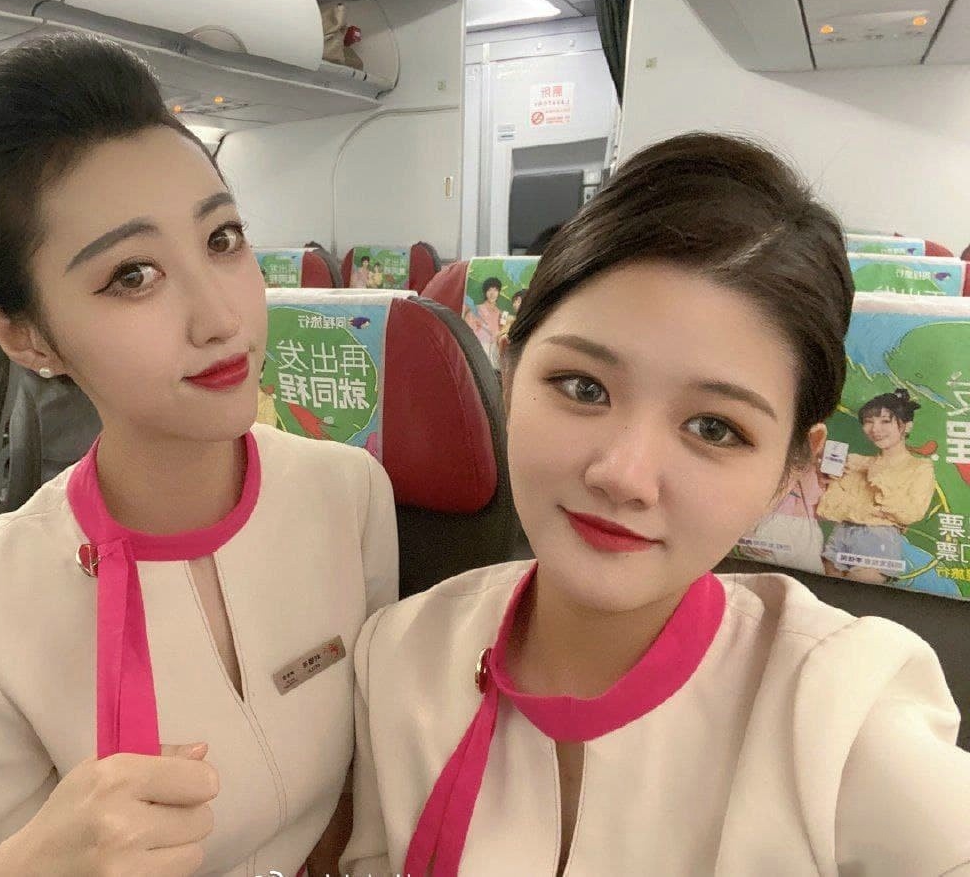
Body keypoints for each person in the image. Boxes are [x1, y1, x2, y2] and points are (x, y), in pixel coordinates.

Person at [343, 133, 970, 876]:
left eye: (715, 429)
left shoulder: (840, 719)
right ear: (509, 375)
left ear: (788, 471)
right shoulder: (398, 655)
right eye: (583, 387)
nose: (624, 476)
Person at [0, 33, 398, 877]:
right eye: (133, 275)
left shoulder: (348, 494)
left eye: (223, 239)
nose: (220, 317)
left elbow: (369, 783)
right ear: (22, 334)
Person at [818, 388, 936, 585]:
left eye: (885, 421)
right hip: (840, 535)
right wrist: (826, 480)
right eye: (868, 421)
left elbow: (911, 512)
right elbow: (829, 508)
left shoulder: (920, 467)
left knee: (858, 598)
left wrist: (875, 478)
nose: (875, 429)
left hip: (878, 539)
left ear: (906, 426)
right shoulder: (854, 461)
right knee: (828, 596)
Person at [463, 276, 504, 364]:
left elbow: (501, 333)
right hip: (479, 350)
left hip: (495, 353)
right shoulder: (476, 310)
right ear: (485, 292)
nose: (492, 293)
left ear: (499, 292)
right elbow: (467, 332)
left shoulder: (501, 314)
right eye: (489, 290)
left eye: (495, 290)